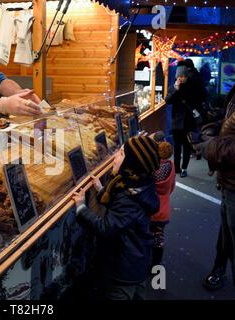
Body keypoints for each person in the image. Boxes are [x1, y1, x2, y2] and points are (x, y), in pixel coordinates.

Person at [73, 136, 160, 300]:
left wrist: (81, 208)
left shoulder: (129, 199)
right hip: (139, 259)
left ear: (130, 166)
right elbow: (120, 210)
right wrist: (101, 191)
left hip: (124, 268)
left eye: (120, 154)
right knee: (139, 293)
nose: (114, 157)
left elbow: (106, 227)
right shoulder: (138, 185)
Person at [202, 84, 235, 290]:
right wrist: (217, 126)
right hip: (228, 182)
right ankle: (219, 268)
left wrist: (211, 146)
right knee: (226, 233)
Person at [166, 65, 198, 178]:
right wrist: (176, 89)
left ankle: (184, 168)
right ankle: (177, 168)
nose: (181, 78)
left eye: (183, 76)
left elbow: (196, 101)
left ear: (187, 76)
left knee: (187, 146)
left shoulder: (192, 87)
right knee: (177, 146)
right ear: (176, 77)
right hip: (176, 122)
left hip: (188, 121)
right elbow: (168, 101)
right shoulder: (173, 87)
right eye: (179, 76)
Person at [150, 132, 176, 267]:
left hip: (151, 209)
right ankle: (156, 264)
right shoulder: (171, 166)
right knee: (159, 237)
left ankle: (147, 260)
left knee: (147, 234)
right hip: (164, 211)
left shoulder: (152, 168)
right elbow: (172, 187)